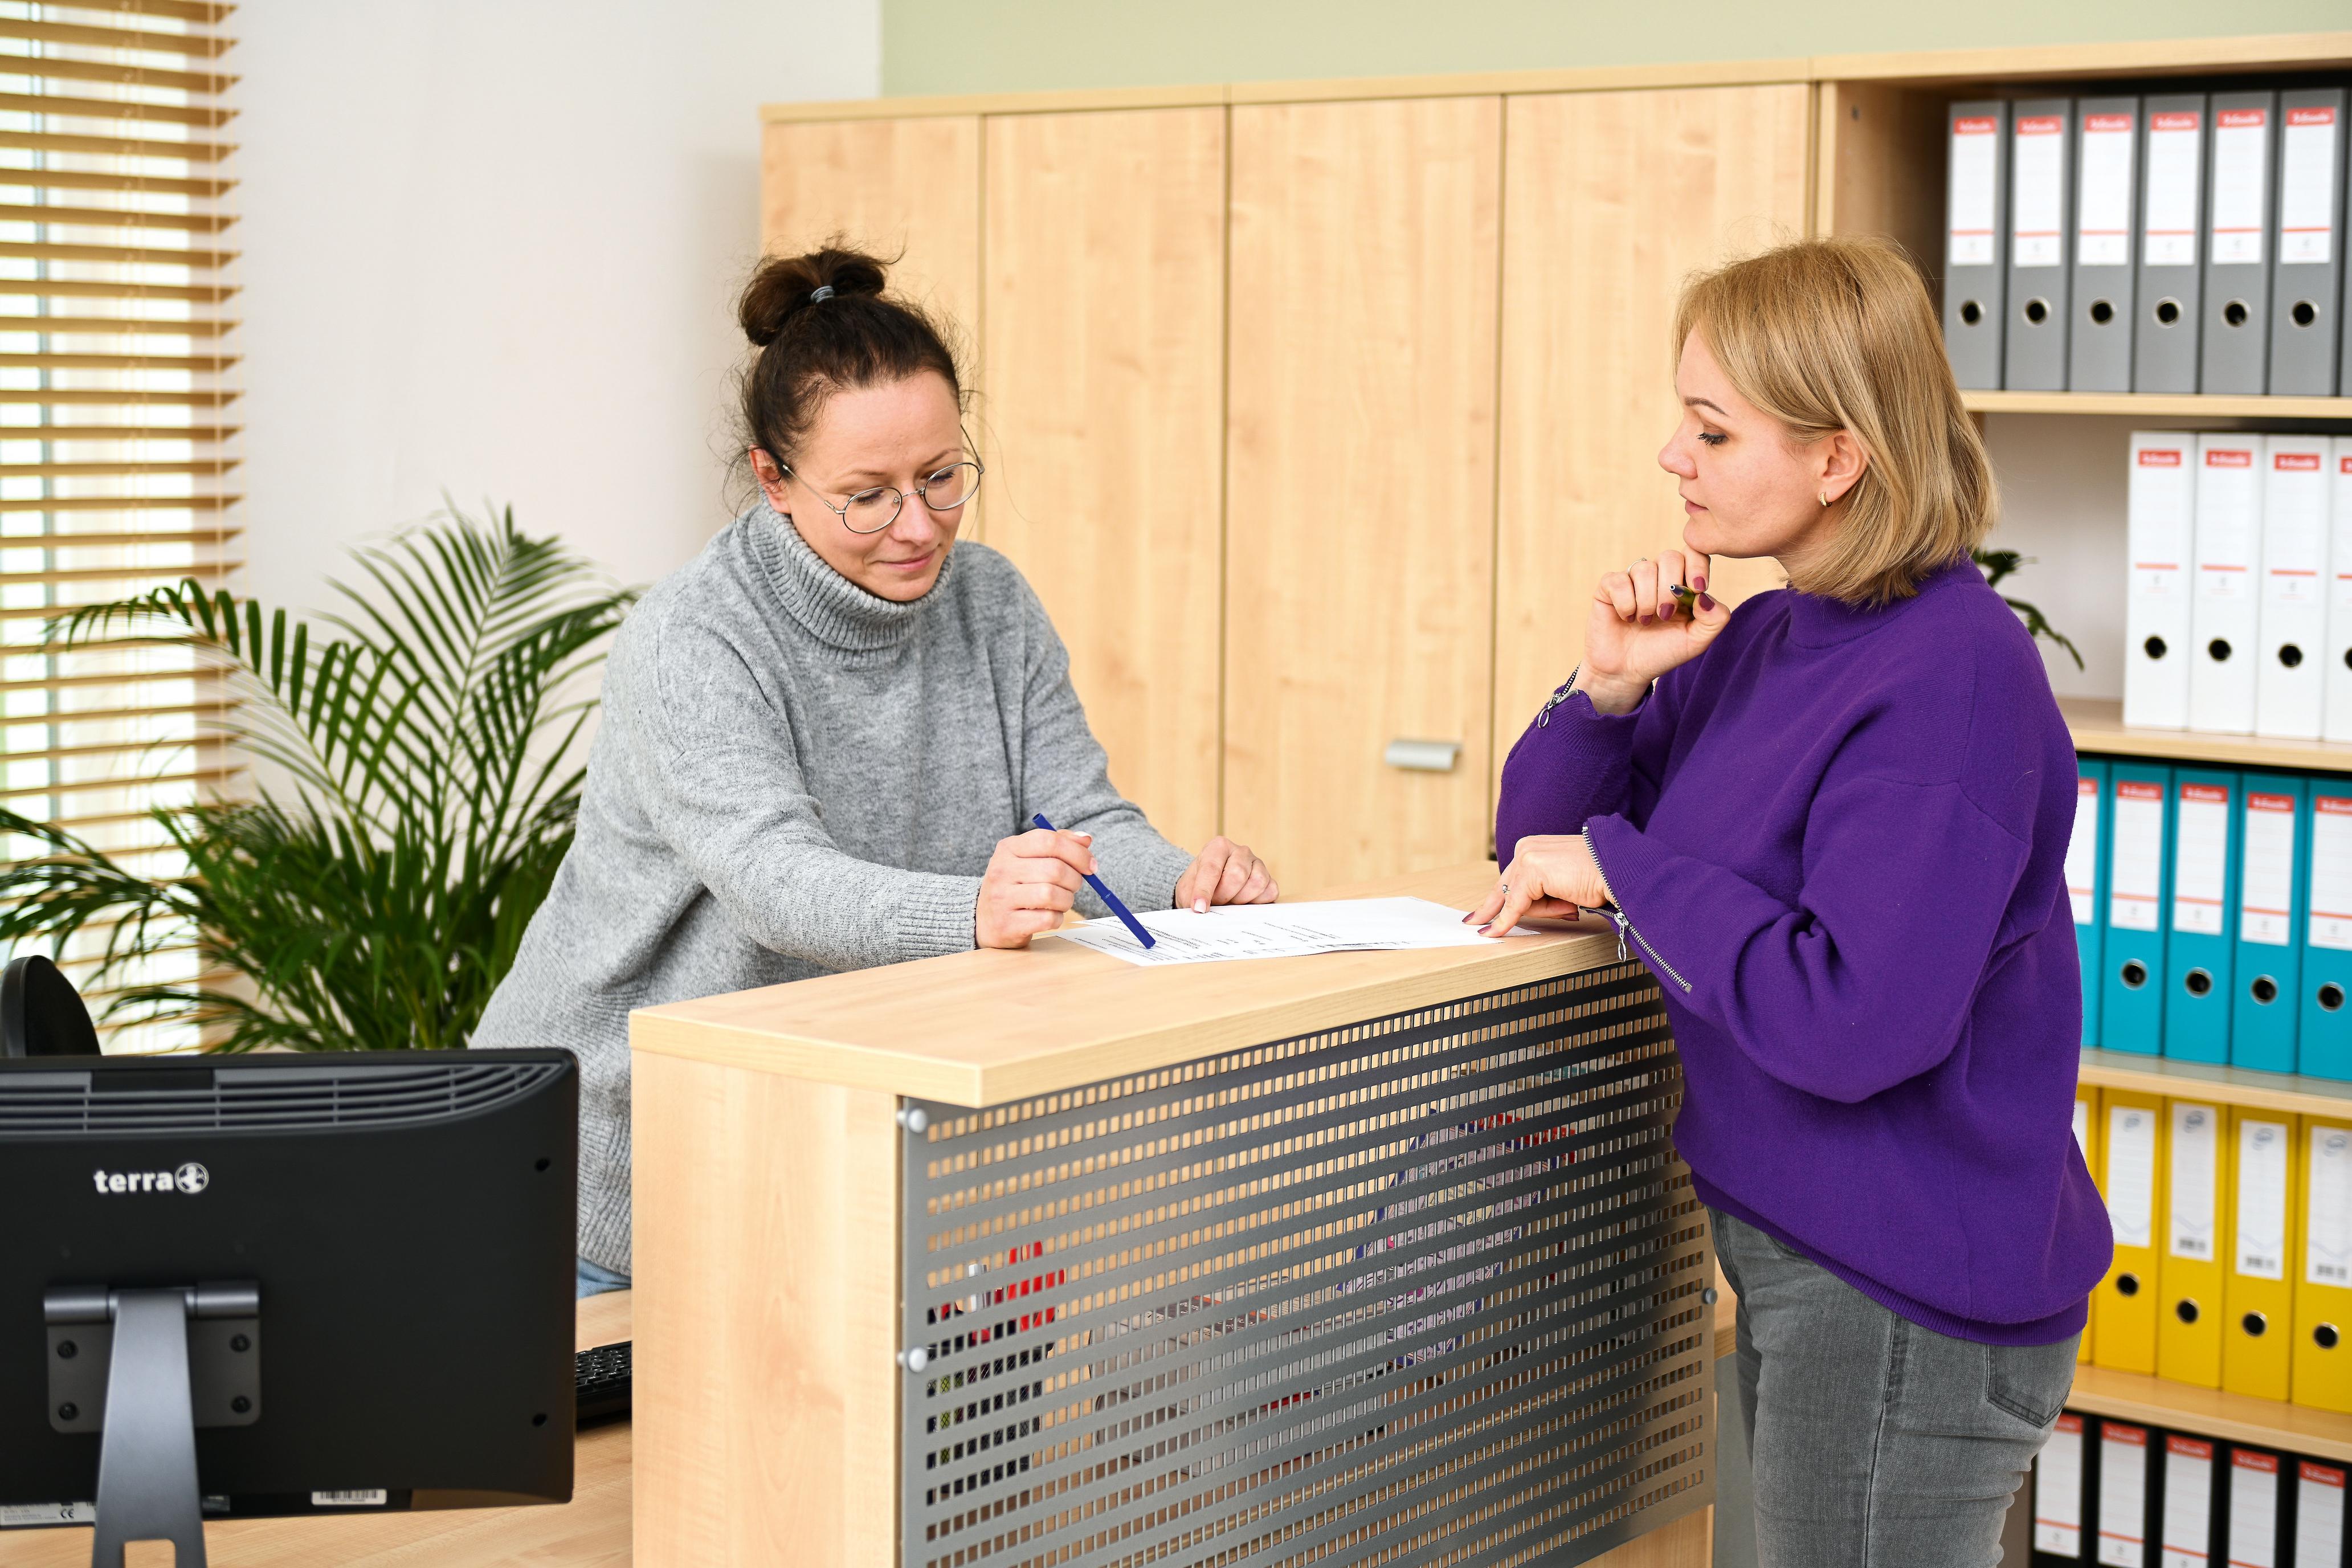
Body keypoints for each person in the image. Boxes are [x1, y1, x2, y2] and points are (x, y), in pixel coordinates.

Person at [1468, 236, 2109, 1567]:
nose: (1671, 458)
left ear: (1838, 457)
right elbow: (1534, 843)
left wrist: (1631, 874)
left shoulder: (1954, 676)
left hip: (1900, 1292)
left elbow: (1857, 1015)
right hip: (1802, 1246)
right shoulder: (1766, 634)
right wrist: (1611, 691)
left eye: (1711, 428)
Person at [475, 245, 1277, 1298]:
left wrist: (1177, 883)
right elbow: (774, 881)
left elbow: (1075, 818)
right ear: (773, 478)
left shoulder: (991, 604)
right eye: (867, 494)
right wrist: (974, 913)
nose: (917, 524)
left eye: (942, 477)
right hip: (605, 1174)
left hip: (823, 1149)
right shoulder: (696, 635)